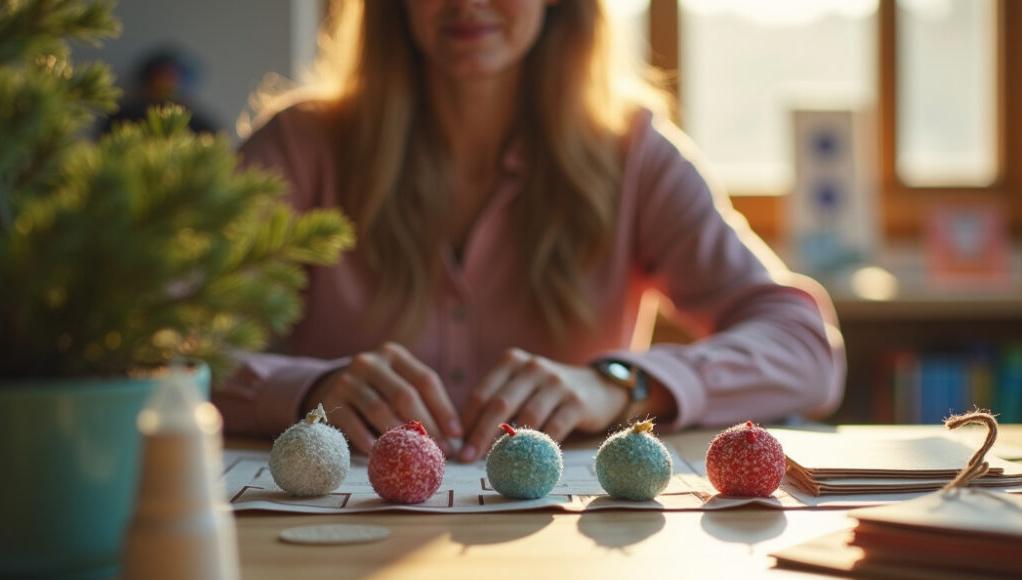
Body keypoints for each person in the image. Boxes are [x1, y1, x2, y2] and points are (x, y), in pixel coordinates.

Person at [215, 0, 845, 463]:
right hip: (329, 541)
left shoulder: (632, 156)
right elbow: (154, 342)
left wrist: (617, 385)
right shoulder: (298, 149)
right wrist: (305, 389)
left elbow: (805, 348)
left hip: (565, 544)